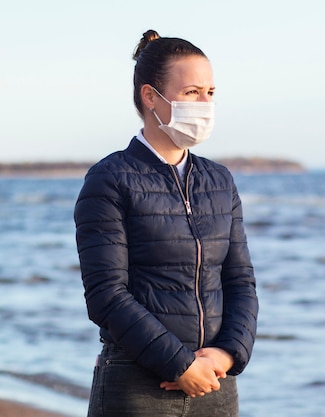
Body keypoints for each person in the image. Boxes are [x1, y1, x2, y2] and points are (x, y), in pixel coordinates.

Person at [74, 29, 259, 417]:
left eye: (210, 92)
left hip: (215, 385)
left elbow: (240, 280)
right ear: (150, 97)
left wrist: (228, 354)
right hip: (138, 386)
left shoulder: (219, 180)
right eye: (192, 92)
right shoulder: (110, 178)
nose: (205, 103)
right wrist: (180, 364)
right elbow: (106, 295)